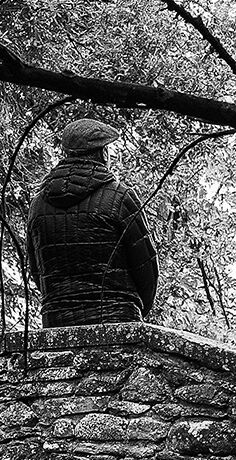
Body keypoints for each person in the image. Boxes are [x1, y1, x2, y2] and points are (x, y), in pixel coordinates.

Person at [27, 115, 159, 326]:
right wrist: (139, 309)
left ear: (66, 154)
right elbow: (145, 265)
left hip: (57, 321)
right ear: (103, 153)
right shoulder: (120, 197)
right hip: (116, 319)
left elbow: (36, 268)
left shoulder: (38, 205)